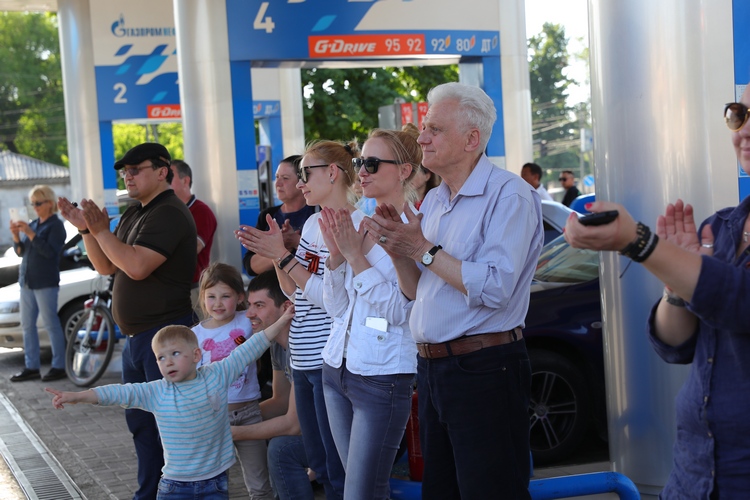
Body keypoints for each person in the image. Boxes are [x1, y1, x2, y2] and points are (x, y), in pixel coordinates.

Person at [563, 93, 750, 498]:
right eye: (738, 114)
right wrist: (676, 288)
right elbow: (675, 345)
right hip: (692, 476)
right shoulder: (721, 227)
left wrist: (640, 243)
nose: (745, 130)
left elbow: (739, 300)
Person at [363, 82, 544, 499]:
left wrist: (422, 249)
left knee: (490, 491)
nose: (422, 138)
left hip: (484, 368)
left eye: (435, 129)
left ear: (472, 139)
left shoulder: (509, 194)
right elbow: (418, 291)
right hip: (433, 369)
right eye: (425, 127)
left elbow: (496, 287)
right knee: (441, 491)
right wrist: (398, 251)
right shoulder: (435, 200)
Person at [58, 142, 197, 500]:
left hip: (165, 335)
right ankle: (148, 494)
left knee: (170, 428)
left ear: (163, 171)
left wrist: (100, 230)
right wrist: (89, 231)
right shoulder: (136, 211)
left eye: (136, 169)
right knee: (141, 425)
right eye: (124, 171)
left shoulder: (169, 212)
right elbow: (107, 265)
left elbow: (136, 267)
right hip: (138, 338)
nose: (128, 176)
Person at [46, 307, 293, 500]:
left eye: (175, 354)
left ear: (196, 355)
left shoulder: (217, 375)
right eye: (161, 358)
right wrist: (77, 396)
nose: (168, 362)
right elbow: (119, 393)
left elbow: (249, 349)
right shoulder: (156, 391)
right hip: (175, 486)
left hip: (215, 482)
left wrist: (282, 321)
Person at [235, 140, 363, 500]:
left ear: (333, 173)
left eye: (306, 173)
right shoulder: (312, 225)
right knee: (320, 461)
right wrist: (279, 253)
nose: (300, 182)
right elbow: (293, 291)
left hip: (328, 360)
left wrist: (282, 255)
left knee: (337, 466)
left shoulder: (355, 224)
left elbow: (331, 301)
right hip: (303, 359)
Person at [318, 128, 419, 499]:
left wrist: (355, 258)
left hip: (382, 377)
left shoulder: (418, 227)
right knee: (360, 489)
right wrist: (336, 258)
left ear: (404, 171)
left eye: (372, 163)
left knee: (361, 492)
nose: (361, 171)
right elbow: (337, 309)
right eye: (360, 162)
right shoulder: (360, 222)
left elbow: (401, 311)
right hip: (336, 368)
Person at [231, 271, 317, 500]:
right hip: (315, 430)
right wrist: (231, 417)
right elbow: (280, 401)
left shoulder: (304, 345)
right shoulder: (277, 344)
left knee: (281, 449)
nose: (249, 313)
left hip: (339, 438)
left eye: (259, 305)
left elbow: (293, 425)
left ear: (287, 307)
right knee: (268, 433)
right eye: (249, 305)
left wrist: (232, 432)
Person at [192, 263, 273, 499]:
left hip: (249, 414)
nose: (218, 303)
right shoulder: (195, 335)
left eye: (225, 296)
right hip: (213, 417)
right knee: (214, 485)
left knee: (259, 484)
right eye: (211, 296)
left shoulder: (247, 320)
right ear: (202, 298)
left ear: (239, 297)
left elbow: (270, 325)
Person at [9, 185, 67, 382]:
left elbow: (50, 253)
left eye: (38, 203)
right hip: (27, 282)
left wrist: (31, 234)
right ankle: (31, 366)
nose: (34, 207)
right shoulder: (33, 224)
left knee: (51, 324)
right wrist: (16, 236)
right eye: (32, 203)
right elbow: (21, 252)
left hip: (45, 282)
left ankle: (59, 366)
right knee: (27, 326)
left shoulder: (56, 226)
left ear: (50, 203)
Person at [243, 155, 317, 276]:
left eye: (285, 178)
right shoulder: (268, 215)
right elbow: (250, 266)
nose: (277, 183)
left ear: (302, 181)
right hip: (272, 286)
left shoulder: (318, 212)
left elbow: (326, 261)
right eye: (277, 177)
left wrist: (296, 242)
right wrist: (279, 250)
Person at [170, 159, 218, 314]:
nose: (164, 182)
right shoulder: (168, 211)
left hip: (193, 289)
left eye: (170, 176)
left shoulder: (201, 211)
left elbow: (192, 248)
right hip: (171, 289)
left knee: (195, 328)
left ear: (185, 180)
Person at [402, 122, 441, 210]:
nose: (408, 176)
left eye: (414, 171)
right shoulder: (404, 202)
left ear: (427, 175)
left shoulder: (436, 201)